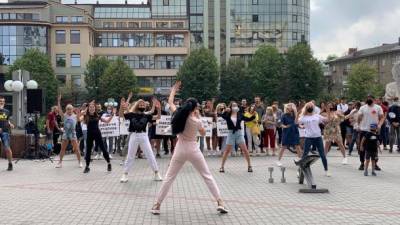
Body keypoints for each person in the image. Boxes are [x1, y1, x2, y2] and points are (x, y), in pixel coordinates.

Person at [151, 81, 228, 215]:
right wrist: (198, 117)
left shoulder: (179, 114)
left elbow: (170, 102)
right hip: (193, 149)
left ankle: (157, 204)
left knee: (169, 177)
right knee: (207, 176)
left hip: (180, 148)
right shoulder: (196, 120)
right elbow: (203, 133)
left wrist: (174, 90)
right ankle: (220, 201)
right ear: (195, 108)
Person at [120, 93, 162, 183]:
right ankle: (125, 174)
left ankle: (156, 173)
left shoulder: (147, 115)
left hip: (143, 136)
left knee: (150, 154)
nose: (142, 105)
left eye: (143, 104)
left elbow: (158, 117)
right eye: (140, 104)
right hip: (134, 135)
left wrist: (159, 109)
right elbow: (121, 115)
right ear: (137, 105)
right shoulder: (131, 114)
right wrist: (121, 106)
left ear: (145, 106)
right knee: (130, 155)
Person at [219, 102, 255, 173]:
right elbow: (221, 115)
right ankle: (222, 167)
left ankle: (249, 166)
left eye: (236, 105)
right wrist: (225, 110)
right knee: (227, 151)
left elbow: (247, 119)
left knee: (245, 150)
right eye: (233, 105)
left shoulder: (240, 114)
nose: (235, 107)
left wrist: (253, 116)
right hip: (231, 133)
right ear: (231, 107)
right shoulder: (227, 114)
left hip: (239, 133)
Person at [298, 102, 330, 177]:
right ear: (306, 108)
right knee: (305, 154)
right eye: (308, 106)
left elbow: (327, 120)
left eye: (311, 106)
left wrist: (328, 111)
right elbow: (296, 122)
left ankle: (326, 170)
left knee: (322, 154)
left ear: (313, 108)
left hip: (318, 137)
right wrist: (297, 114)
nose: (310, 107)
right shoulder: (304, 117)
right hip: (309, 138)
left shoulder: (317, 116)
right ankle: (300, 170)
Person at [81, 101, 113, 173]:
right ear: (88, 108)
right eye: (90, 107)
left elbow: (107, 121)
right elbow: (79, 118)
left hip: (97, 134)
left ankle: (109, 163)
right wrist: (87, 107)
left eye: (93, 107)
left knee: (103, 149)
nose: (92, 108)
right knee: (88, 151)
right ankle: (87, 166)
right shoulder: (86, 115)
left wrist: (112, 115)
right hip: (89, 134)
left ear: (95, 108)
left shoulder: (98, 116)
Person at [357, 95, 385, 171]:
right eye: (367, 98)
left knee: (374, 148)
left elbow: (382, 117)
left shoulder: (378, 107)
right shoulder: (363, 108)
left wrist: (379, 125)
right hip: (364, 130)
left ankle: (375, 163)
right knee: (362, 147)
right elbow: (359, 117)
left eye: (370, 98)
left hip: (374, 131)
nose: (368, 99)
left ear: (373, 99)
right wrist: (358, 125)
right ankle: (362, 163)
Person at [55, 94, 82, 168]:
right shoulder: (64, 116)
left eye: (70, 109)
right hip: (66, 134)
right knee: (62, 149)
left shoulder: (75, 116)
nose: (69, 110)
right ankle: (60, 162)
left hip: (73, 134)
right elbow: (59, 109)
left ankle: (80, 162)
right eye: (68, 109)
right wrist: (58, 101)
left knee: (76, 149)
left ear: (72, 109)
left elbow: (80, 116)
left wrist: (79, 111)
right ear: (66, 110)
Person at [0, 96, 14, 171]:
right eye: (0, 101)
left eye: (3, 101)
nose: (1, 102)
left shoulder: (7, 111)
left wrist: (10, 124)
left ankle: (10, 163)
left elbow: (7, 120)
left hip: (5, 131)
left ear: (4, 102)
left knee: (7, 148)